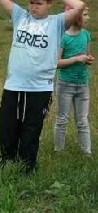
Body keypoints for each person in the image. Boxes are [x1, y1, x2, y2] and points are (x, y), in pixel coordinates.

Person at [0, 0, 85, 172]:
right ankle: (7, 161)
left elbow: (79, 6)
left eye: (39, 3)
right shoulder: (20, 16)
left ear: (49, 4)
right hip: (14, 85)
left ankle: (27, 166)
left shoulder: (57, 22)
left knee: (31, 128)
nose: (34, 6)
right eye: (31, 2)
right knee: (8, 126)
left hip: (39, 88)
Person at [55, 4, 93, 155]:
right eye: (85, 14)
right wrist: (77, 59)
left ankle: (87, 153)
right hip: (65, 85)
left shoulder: (86, 35)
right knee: (62, 120)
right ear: (75, 16)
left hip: (83, 84)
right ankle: (59, 152)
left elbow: (87, 56)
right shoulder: (63, 37)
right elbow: (57, 63)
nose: (87, 18)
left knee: (82, 121)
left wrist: (88, 59)